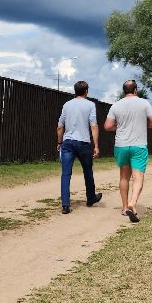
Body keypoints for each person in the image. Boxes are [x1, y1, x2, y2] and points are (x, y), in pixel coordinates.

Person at [104, 79, 152, 222]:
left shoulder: (116, 105)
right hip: (138, 145)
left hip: (121, 145)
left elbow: (108, 126)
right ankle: (132, 203)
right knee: (138, 177)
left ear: (124, 91)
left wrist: (120, 127)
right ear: (135, 90)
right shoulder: (144, 103)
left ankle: (124, 207)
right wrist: (146, 126)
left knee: (123, 177)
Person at [56, 80, 102, 214]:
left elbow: (60, 126)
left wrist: (59, 142)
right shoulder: (90, 105)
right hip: (83, 143)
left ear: (75, 91)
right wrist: (96, 145)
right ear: (86, 91)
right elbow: (94, 125)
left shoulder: (67, 105)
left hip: (68, 143)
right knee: (87, 171)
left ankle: (65, 205)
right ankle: (91, 198)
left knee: (66, 174)